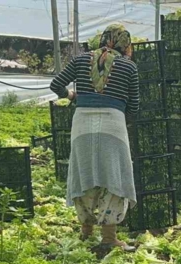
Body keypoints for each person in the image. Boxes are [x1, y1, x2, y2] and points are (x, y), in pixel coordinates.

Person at [50, 24, 140, 251]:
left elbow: (56, 84)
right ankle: (109, 238)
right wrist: (120, 116)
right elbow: (135, 105)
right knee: (113, 177)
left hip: (82, 124)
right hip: (113, 125)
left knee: (84, 173)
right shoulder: (129, 66)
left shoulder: (81, 60)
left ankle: (86, 231)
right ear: (125, 43)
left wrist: (72, 95)